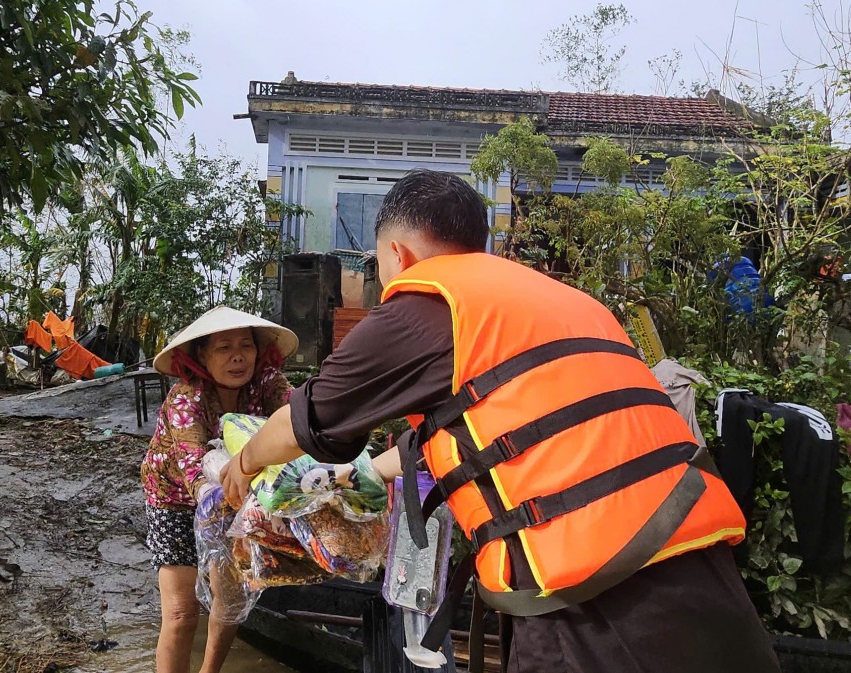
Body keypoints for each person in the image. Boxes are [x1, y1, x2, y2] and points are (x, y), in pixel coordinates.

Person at [221, 169, 782, 673]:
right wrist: (361, 474)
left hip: (592, 598)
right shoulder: (561, 302)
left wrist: (244, 462)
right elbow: (501, 433)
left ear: (399, 253)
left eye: (380, 267)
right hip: (700, 563)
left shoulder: (425, 305)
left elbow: (307, 418)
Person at [141, 306, 297, 673]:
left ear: (260, 352)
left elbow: (297, 421)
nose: (238, 356)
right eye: (224, 348)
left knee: (229, 604)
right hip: (176, 499)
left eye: (246, 345)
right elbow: (194, 469)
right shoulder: (187, 398)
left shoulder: (268, 384)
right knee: (181, 613)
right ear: (202, 355)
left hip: (241, 496)